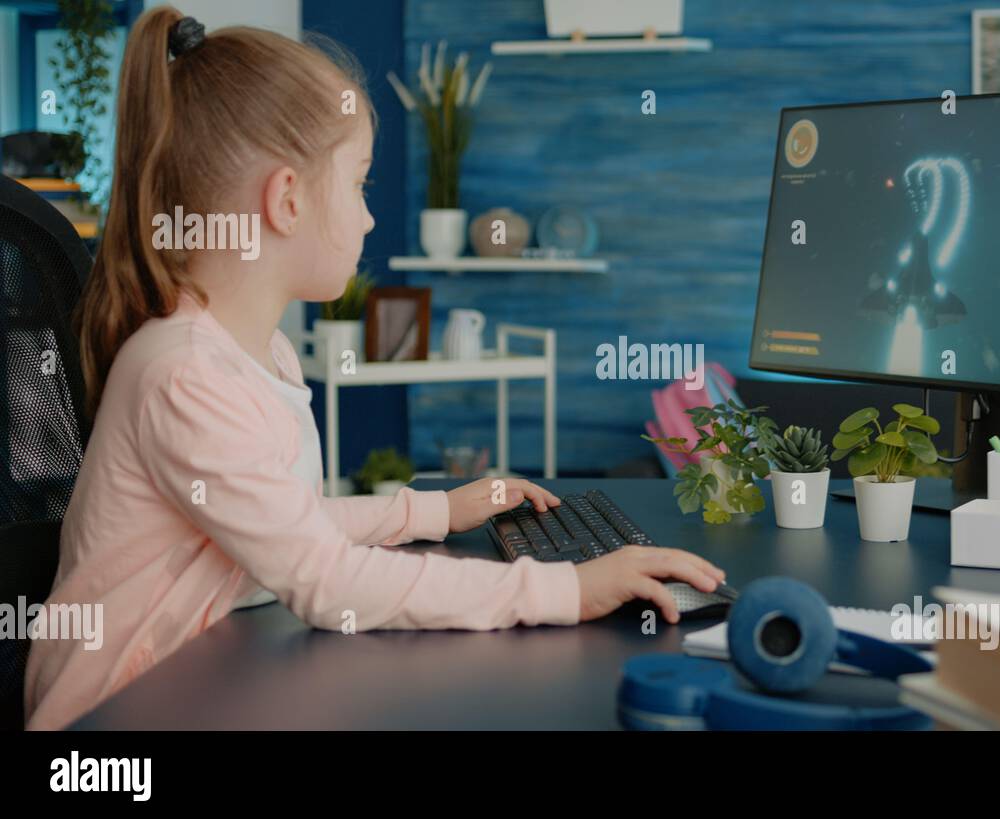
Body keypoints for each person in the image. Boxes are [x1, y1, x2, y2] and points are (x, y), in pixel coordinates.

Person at [24, 6, 724, 731]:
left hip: (197, 676)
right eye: (358, 184)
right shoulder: (185, 375)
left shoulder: (257, 352)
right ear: (287, 199)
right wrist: (563, 589)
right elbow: (325, 579)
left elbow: (288, 527)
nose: (368, 219)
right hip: (108, 722)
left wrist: (433, 510)